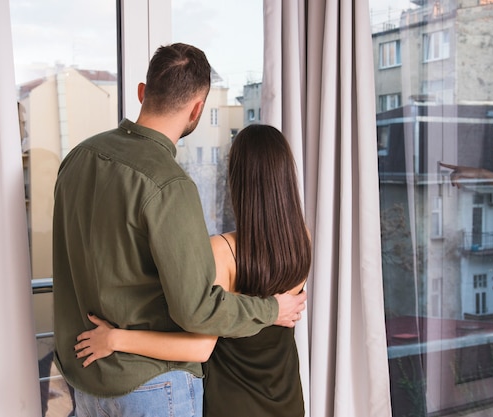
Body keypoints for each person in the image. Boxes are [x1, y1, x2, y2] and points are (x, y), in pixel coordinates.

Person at [52, 43, 307, 417]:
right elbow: (197, 311)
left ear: (142, 92)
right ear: (197, 109)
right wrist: (270, 309)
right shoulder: (169, 184)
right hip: (152, 386)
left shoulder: (78, 158)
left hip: (86, 377)